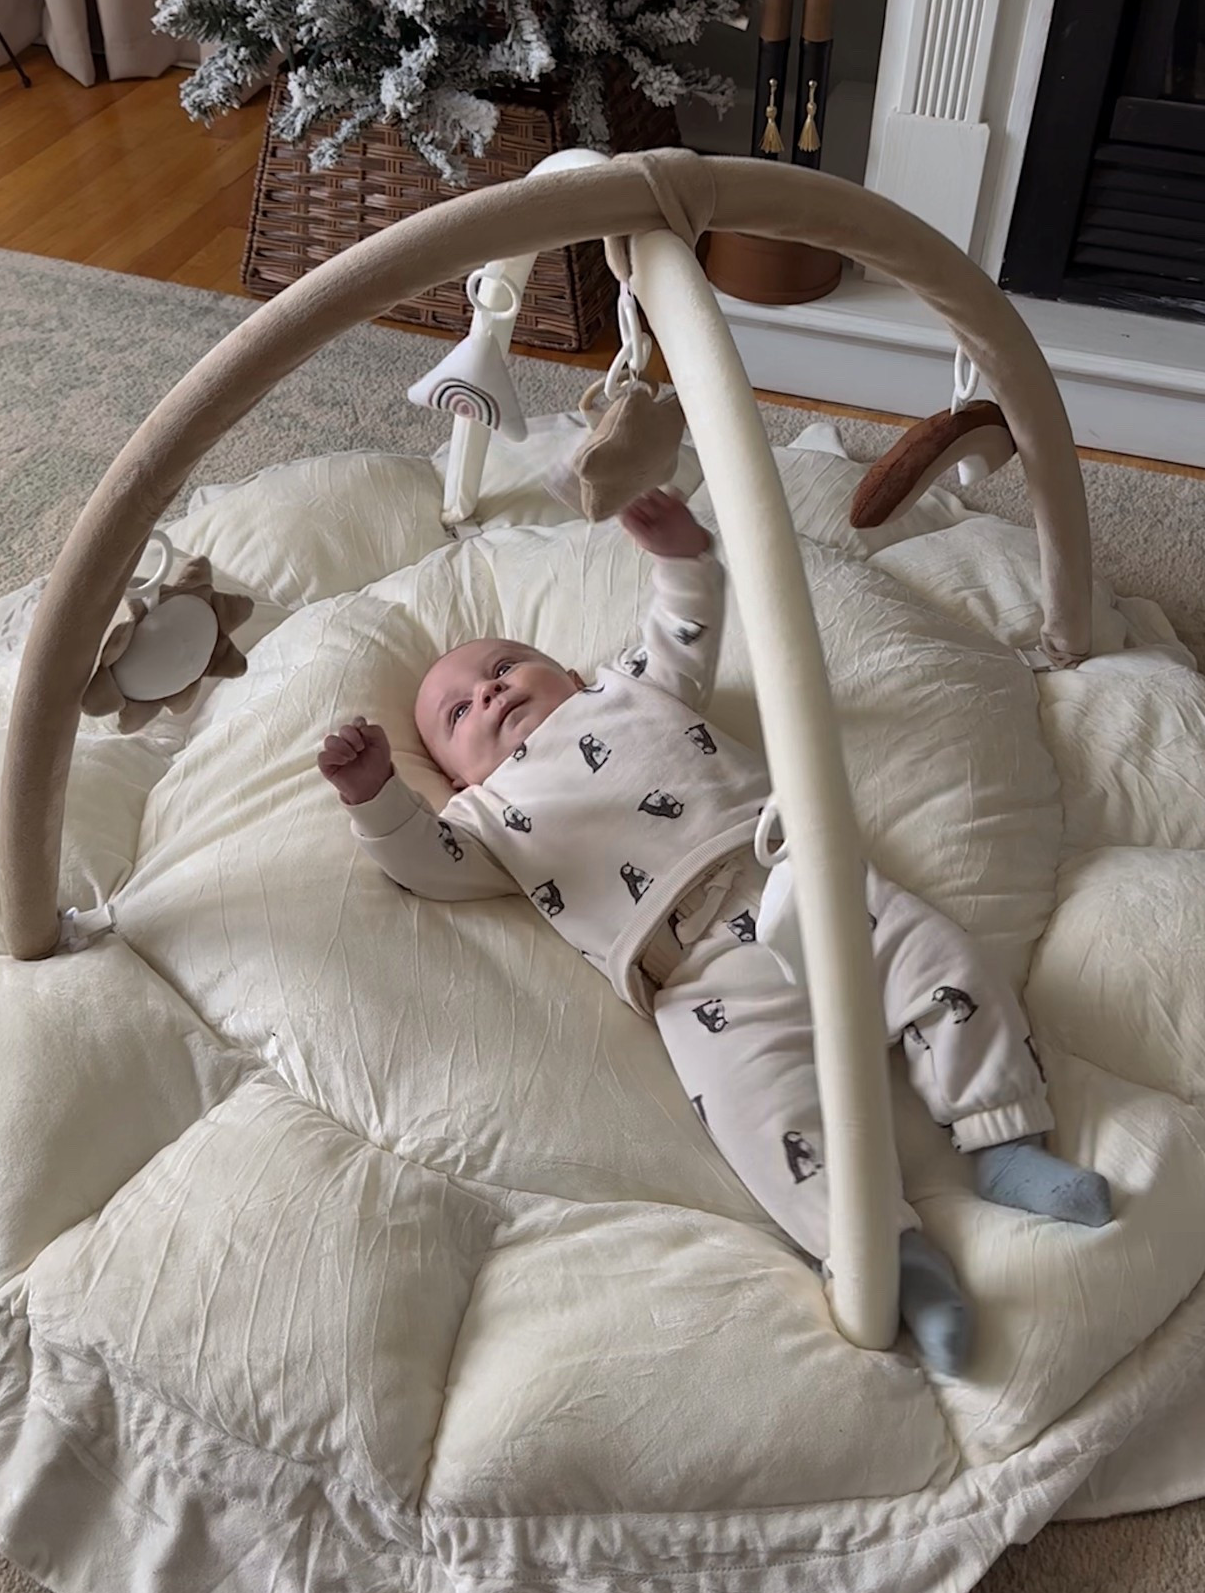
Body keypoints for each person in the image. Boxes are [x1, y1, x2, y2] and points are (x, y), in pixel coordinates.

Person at [319, 489, 1111, 1374]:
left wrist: (681, 555)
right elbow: (424, 863)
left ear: (567, 672)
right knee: (758, 1120)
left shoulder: (627, 689)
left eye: (504, 666)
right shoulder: (484, 818)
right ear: (454, 776)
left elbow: (684, 630)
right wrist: (373, 795)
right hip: (693, 978)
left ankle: (1007, 1143)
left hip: (793, 873)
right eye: (459, 714)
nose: (489, 691)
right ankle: (891, 1261)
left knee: (941, 965)